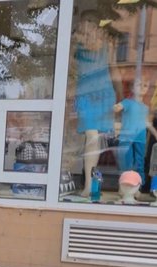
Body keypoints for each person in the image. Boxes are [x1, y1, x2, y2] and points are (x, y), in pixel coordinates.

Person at [72, 10, 122, 197]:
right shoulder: (77, 45)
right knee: (91, 138)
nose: (86, 27)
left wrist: (120, 97)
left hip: (101, 95)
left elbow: (114, 70)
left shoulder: (106, 46)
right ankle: (88, 184)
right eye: (84, 23)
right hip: (85, 95)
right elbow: (70, 69)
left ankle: (89, 185)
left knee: (94, 139)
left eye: (90, 23)